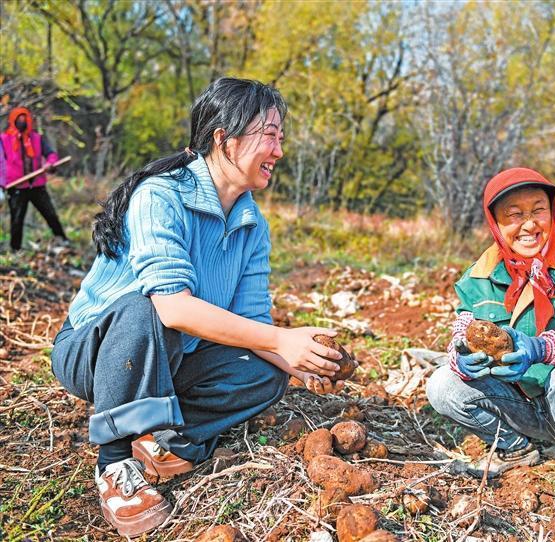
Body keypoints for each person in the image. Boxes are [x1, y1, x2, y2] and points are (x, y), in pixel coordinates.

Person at [51, 78, 351, 537]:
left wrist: (299, 356)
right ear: (224, 139)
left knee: (267, 373)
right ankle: (113, 464)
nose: (279, 151)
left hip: (176, 355)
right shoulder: (161, 195)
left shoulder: (253, 225)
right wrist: (278, 339)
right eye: (269, 135)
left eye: (281, 138)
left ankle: (161, 444)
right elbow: (171, 308)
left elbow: (253, 325)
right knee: (144, 309)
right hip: (98, 352)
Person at [426, 167, 555, 513]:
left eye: (538, 211)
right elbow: (460, 336)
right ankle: (517, 447)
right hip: (525, 407)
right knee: (443, 383)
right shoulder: (479, 276)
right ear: (496, 223)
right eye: (515, 215)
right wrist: (461, 358)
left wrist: (542, 348)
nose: (530, 224)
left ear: (552, 211)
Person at [0, 107, 68, 251]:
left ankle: (63, 241)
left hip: (37, 185)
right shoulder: (4, 139)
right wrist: (2, 183)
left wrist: (50, 164)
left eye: (25, 120)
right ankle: (15, 250)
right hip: (17, 187)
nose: (22, 122)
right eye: (19, 120)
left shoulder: (36, 138)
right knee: (17, 220)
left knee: (51, 215)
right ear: (12, 121)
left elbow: (50, 154)